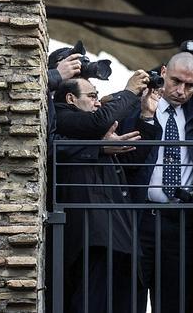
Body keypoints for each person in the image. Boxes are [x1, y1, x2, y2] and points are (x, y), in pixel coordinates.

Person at [119, 52, 193, 313]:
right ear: (163, 73)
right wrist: (144, 117)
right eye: (176, 81)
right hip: (138, 216)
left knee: (177, 298)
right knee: (128, 295)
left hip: (183, 220)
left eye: (190, 85)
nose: (181, 91)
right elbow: (126, 157)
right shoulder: (137, 106)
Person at [53, 73, 158, 313]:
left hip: (114, 232)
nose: (98, 102)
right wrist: (129, 92)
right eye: (92, 96)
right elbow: (98, 122)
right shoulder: (63, 115)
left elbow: (131, 160)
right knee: (90, 300)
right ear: (70, 98)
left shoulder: (93, 131)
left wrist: (146, 116)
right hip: (91, 233)